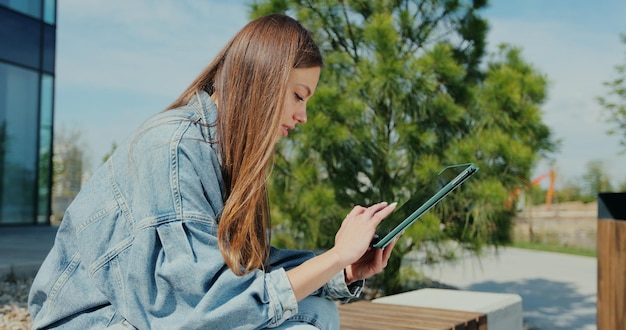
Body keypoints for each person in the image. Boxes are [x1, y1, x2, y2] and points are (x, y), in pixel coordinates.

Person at [28, 13, 398, 329]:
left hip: (150, 314)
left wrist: (344, 268)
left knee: (318, 309)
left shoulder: (224, 152)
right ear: (263, 81)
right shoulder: (174, 149)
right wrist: (335, 256)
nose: (303, 116)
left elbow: (243, 271)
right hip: (99, 320)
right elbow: (199, 309)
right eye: (299, 96)